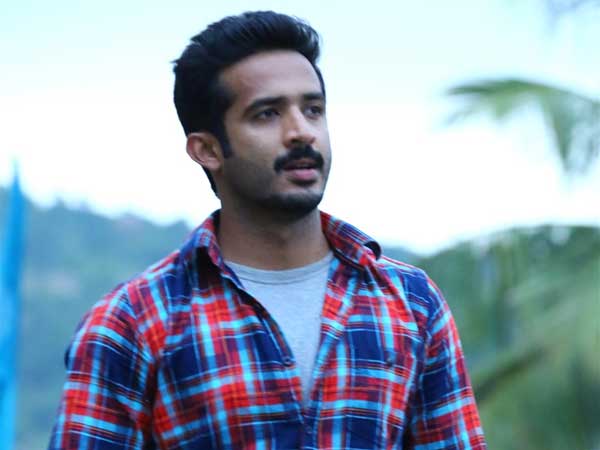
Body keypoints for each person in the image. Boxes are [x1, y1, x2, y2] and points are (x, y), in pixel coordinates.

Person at [49, 11, 486, 450]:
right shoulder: (134, 322)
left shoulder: (409, 302)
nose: (301, 132)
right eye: (267, 114)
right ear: (208, 150)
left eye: (313, 110)